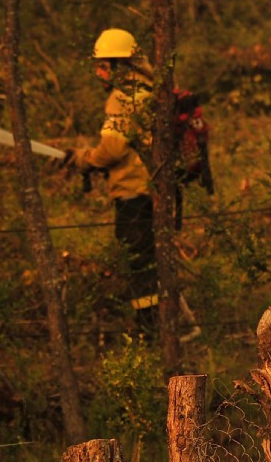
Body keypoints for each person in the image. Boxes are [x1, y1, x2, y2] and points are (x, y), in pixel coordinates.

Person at [64, 28, 198, 340]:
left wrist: (83, 159)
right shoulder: (153, 90)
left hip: (134, 194)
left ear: (119, 66)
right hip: (155, 190)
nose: (98, 72)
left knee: (137, 261)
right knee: (153, 257)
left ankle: (152, 331)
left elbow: (112, 150)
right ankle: (185, 324)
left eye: (103, 65)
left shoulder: (122, 98)